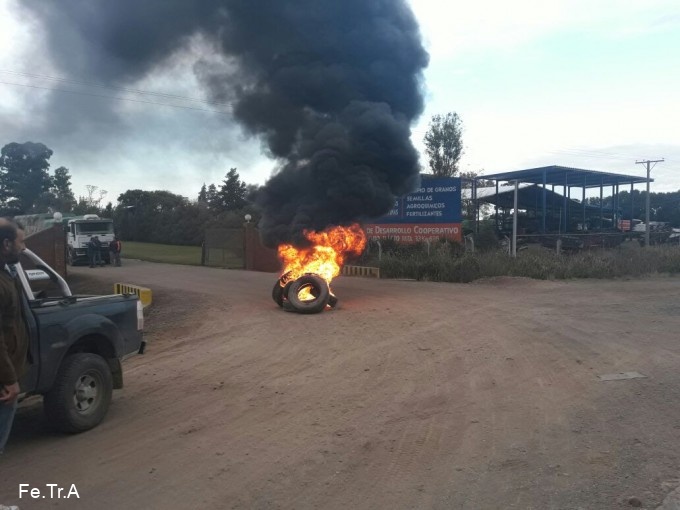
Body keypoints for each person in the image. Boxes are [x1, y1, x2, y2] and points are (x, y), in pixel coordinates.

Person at [0, 218, 29, 454]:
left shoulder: (5, 273)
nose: (24, 247)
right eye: (21, 242)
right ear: (7, 244)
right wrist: (10, 379)